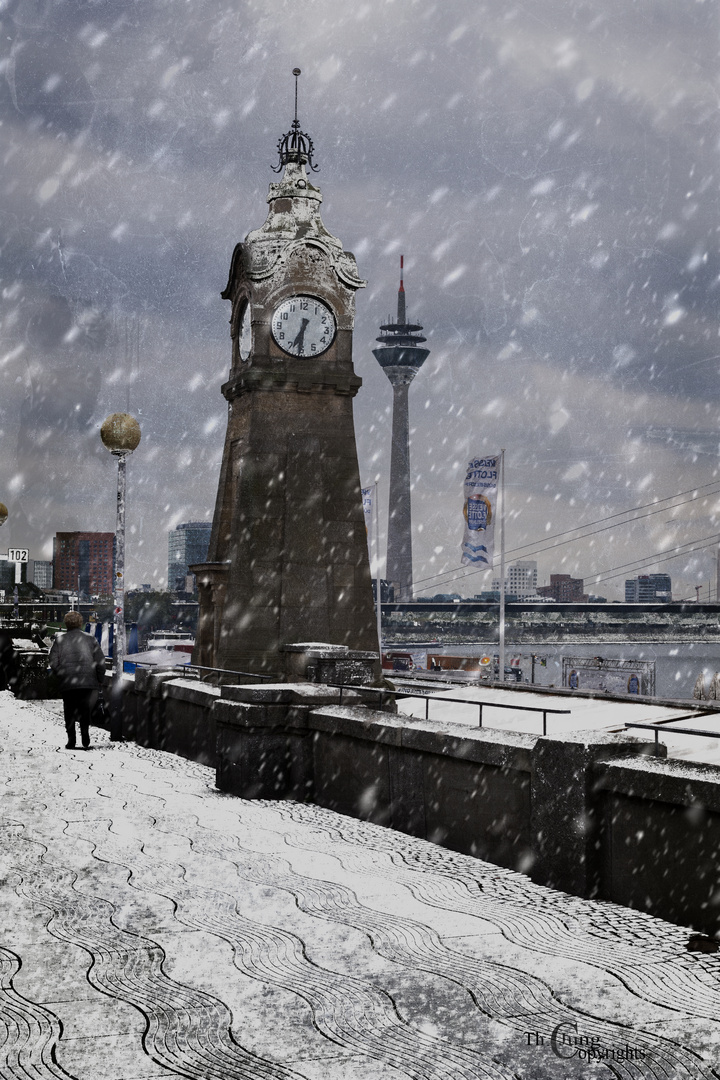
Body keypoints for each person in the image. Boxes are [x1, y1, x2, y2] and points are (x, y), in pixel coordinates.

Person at [49, 611, 106, 749]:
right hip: (87, 681)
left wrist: (61, 674)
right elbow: (100, 661)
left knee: (69, 710)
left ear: (66, 623)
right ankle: (85, 736)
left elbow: (53, 662)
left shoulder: (60, 640)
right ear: (80, 623)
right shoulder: (90, 639)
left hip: (68, 682)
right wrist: (99, 678)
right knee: (84, 708)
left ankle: (71, 739)